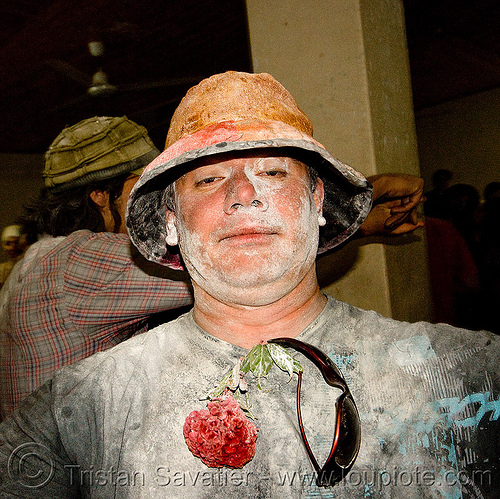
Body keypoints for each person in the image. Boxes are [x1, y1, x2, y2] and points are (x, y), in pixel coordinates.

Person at [2, 71, 496, 498]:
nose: (243, 194)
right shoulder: (72, 411)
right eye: (207, 180)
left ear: (317, 202)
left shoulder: (471, 375)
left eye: (273, 171)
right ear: (169, 221)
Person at [0, 116, 194, 419]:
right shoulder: (84, 259)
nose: (158, 196)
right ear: (100, 196)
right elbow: (219, 274)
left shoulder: (39, 256)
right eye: (143, 182)